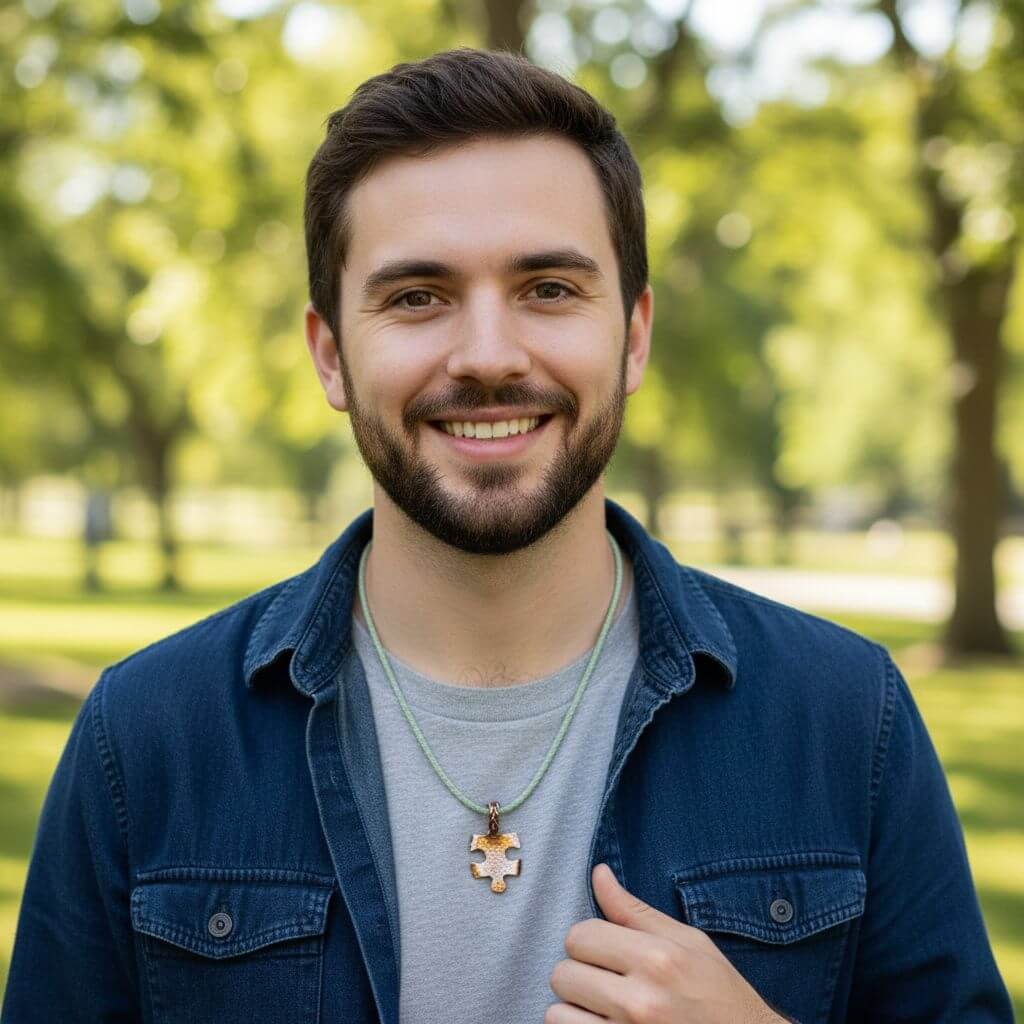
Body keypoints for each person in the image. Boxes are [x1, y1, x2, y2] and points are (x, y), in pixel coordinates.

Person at [2, 47, 1012, 1024]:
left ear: (634, 335)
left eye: (549, 290)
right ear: (329, 355)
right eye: (417, 297)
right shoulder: (145, 740)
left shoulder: (845, 720)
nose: (488, 355)